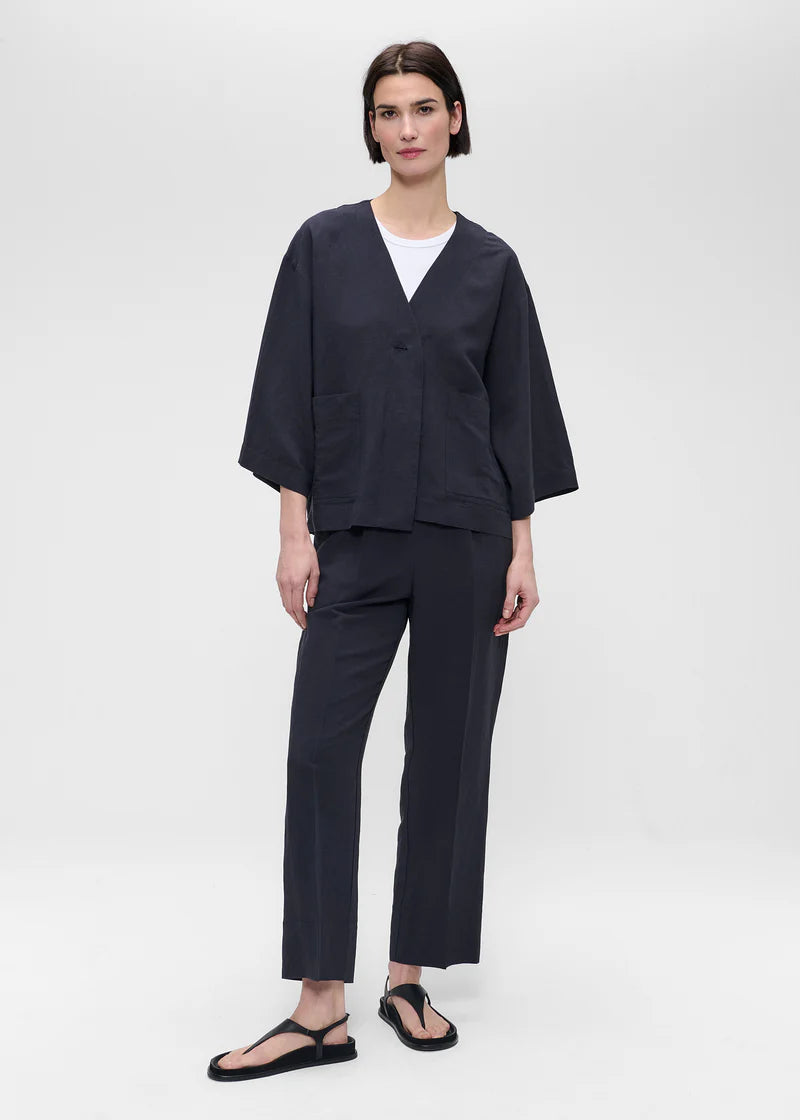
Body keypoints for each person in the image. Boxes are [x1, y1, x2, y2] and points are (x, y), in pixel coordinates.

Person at [207, 39, 578, 1083]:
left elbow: (514, 414)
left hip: (467, 536)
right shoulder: (323, 247)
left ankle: (407, 975)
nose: (406, 128)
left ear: (455, 118)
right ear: (370, 128)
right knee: (320, 751)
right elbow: (290, 387)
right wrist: (292, 532)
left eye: (422, 107)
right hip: (355, 534)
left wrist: (522, 549)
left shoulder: (492, 266)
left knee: (446, 756)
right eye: (387, 111)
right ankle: (319, 1002)